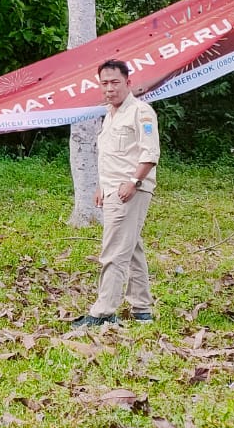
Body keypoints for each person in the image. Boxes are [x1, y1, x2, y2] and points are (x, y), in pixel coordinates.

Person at [71, 59, 160, 328]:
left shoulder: (141, 112)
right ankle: (142, 308)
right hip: (112, 189)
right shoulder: (109, 114)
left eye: (115, 83)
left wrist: (133, 181)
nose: (109, 88)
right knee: (131, 248)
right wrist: (101, 186)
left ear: (128, 83)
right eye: (104, 83)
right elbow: (110, 156)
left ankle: (104, 310)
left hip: (129, 191)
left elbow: (150, 152)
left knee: (113, 251)